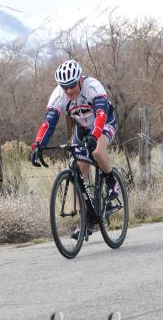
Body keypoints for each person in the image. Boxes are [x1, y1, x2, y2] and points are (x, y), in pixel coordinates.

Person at [30, 60, 120, 237]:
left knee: (97, 151)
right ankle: (86, 220)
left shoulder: (93, 87)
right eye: (65, 87)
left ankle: (111, 181)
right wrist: (38, 144)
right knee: (79, 170)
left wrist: (95, 137)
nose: (69, 91)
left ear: (80, 80)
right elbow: (49, 122)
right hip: (83, 128)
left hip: (104, 122)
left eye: (72, 86)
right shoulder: (58, 95)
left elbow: (101, 114)